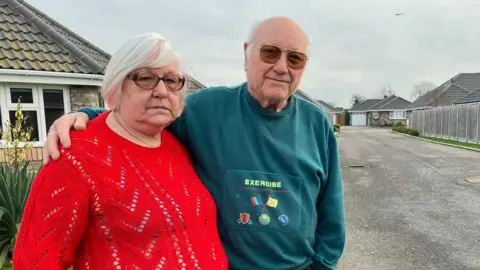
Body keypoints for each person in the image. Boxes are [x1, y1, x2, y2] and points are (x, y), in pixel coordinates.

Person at [44, 17, 345, 270]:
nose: (282, 66)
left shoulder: (317, 124)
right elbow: (144, 114)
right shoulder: (204, 110)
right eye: (270, 52)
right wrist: (84, 115)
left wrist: (322, 265)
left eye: (295, 58)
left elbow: (332, 218)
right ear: (246, 55)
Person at [13, 33, 228, 270]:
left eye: (171, 81)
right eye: (145, 78)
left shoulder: (177, 144)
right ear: (117, 85)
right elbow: (34, 262)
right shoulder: (74, 156)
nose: (161, 91)